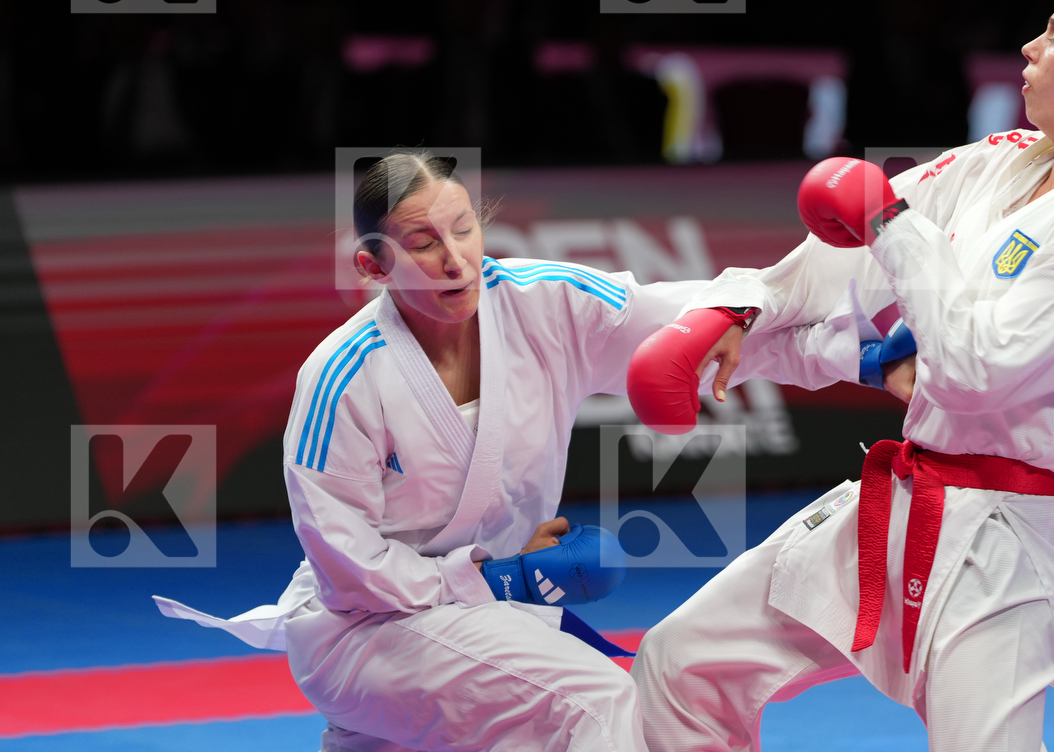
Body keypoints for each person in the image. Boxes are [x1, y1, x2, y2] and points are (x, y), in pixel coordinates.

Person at [625, 0, 1054, 752]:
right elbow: (844, 255)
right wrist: (741, 312)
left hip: (1002, 546)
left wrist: (893, 225)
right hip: (905, 496)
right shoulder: (1006, 161)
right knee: (683, 660)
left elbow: (978, 370)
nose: (1030, 48)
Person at [154, 151, 810, 752]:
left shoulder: (544, 302)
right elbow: (348, 570)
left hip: (484, 620)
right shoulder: (341, 378)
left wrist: (837, 354)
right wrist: (499, 578)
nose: (456, 260)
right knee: (593, 701)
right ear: (372, 266)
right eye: (423, 244)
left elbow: (693, 326)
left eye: (465, 229)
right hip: (363, 634)